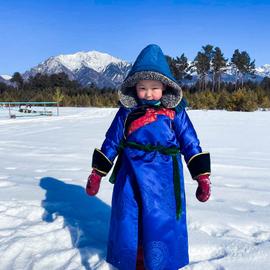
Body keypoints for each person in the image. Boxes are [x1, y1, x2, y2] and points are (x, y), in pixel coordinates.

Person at [86, 44, 211, 270]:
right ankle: (133, 259)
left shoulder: (176, 114)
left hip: (163, 176)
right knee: (129, 217)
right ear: (134, 88)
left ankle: (161, 261)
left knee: (160, 220)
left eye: (154, 87)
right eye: (142, 88)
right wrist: (97, 173)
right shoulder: (126, 113)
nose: (148, 93)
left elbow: (190, 142)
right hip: (130, 173)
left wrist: (201, 176)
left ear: (165, 87)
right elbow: (112, 141)